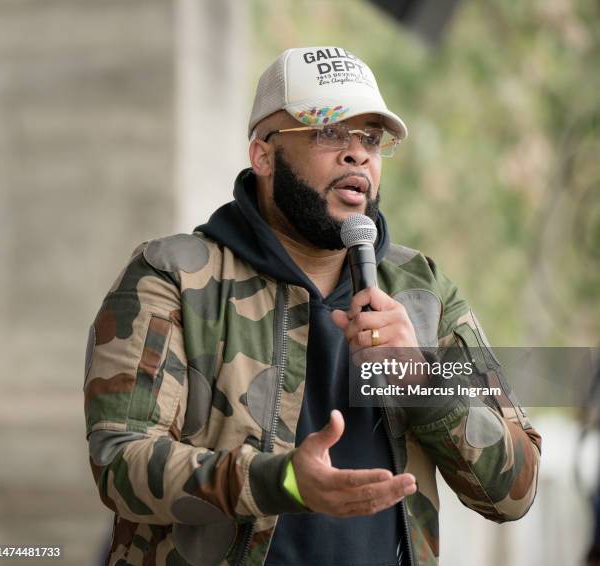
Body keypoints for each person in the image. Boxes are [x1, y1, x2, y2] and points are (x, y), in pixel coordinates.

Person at [84, 46, 542, 566]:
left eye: (371, 138)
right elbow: (120, 463)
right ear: (263, 155)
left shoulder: (423, 292)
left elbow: (516, 492)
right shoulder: (173, 276)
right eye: (329, 131)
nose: (358, 154)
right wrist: (282, 481)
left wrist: (422, 384)